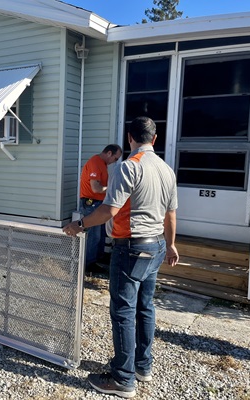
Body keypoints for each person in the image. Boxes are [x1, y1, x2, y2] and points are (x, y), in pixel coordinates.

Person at [63, 116, 179, 398]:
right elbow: (171, 214)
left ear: (130, 138)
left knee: (123, 312)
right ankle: (142, 366)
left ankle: (122, 378)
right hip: (156, 247)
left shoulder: (130, 167)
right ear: (155, 138)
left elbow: (108, 211)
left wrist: (78, 225)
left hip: (131, 248)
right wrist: (172, 245)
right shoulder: (166, 170)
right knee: (145, 307)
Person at [79, 144, 122, 269]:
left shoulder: (101, 164)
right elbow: (96, 188)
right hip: (91, 203)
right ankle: (89, 264)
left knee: (101, 233)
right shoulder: (95, 162)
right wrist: (113, 189)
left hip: (98, 203)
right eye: (115, 159)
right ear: (109, 153)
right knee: (94, 234)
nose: (115, 162)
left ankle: (98, 257)